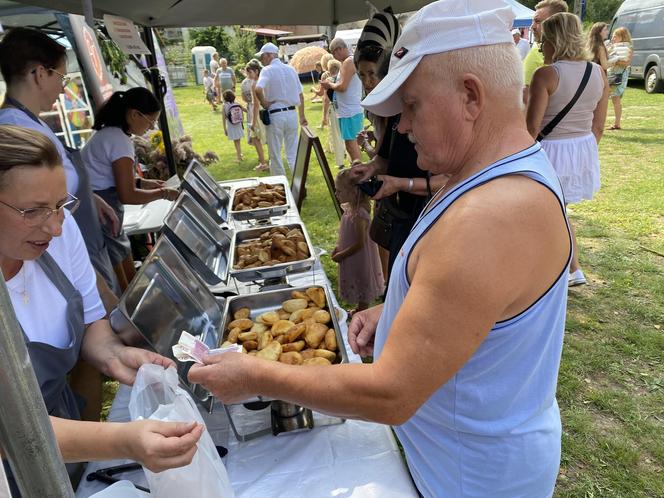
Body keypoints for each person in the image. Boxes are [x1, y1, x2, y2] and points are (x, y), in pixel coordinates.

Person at [188, 1, 572, 497]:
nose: (403, 127)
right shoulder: (486, 177)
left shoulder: (493, 214)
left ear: (470, 97)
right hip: (450, 458)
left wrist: (256, 376)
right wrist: (396, 312)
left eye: (411, 105)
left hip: (467, 479)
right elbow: (480, 309)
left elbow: (392, 394)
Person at [0, 125, 203, 494]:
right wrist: (122, 441)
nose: (56, 228)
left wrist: (112, 356)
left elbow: (93, 320)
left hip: (67, 433)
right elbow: (10, 433)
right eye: (32, 211)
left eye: (61, 205)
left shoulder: (57, 238)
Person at [0, 27, 120, 295]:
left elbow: (58, 185)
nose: (64, 90)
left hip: (81, 241)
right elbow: (35, 209)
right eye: (62, 78)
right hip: (57, 253)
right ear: (40, 74)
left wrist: (91, 198)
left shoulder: (31, 121)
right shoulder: (15, 128)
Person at [350, 10, 447, 278]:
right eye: (362, 75)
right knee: (398, 285)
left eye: (372, 74)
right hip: (402, 218)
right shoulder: (395, 110)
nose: (404, 126)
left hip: (429, 218)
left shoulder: (439, 119)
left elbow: (453, 180)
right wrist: (369, 169)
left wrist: (402, 184)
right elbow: (384, 157)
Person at [526, 12, 608, 287]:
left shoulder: (547, 74)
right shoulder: (598, 72)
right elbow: (598, 125)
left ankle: (562, 269)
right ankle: (571, 268)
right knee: (558, 210)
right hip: (582, 148)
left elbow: (531, 129)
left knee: (547, 213)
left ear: (553, 40)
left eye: (543, 40)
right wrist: (580, 152)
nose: (540, 45)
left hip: (549, 151)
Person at [81, 88, 180, 291]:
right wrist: (163, 193)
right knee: (119, 269)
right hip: (100, 210)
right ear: (135, 114)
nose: (150, 128)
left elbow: (112, 177)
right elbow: (127, 195)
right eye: (150, 122)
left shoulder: (110, 134)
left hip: (97, 204)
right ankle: (129, 301)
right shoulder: (119, 140)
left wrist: (142, 183)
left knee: (121, 254)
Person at [332, 169, 384, 311]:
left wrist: (342, 255)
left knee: (362, 279)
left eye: (339, 191)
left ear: (353, 192)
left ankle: (362, 310)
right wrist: (338, 248)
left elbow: (360, 243)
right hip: (351, 254)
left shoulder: (360, 214)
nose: (336, 194)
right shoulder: (349, 209)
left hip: (360, 257)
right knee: (356, 278)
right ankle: (359, 308)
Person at [254, 42, 308, 176]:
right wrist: (301, 116)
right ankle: (300, 185)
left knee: (275, 153)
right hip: (291, 114)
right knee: (293, 151)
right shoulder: (291, 69)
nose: (262, 60)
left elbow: (258, 88)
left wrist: (264, 102)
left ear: (269, 55)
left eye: (263, 57)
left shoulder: (267, 70)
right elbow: (300, 95)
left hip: (276, 115)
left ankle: (279, 185)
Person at [321, 38, 364, 164]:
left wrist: (329, 85)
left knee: (351, 143)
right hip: (348, 110)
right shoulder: (349, 61)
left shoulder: (348, 62)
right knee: (350, 143)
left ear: (339, 49)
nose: (333, 56)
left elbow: (343, 87)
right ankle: (356, 169)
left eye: (333, 53)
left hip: (349, 111)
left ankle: (359, 172)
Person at [522, 0, 569, 103]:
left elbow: (527, 101)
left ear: (556, 24)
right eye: (533, 21)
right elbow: (527, 98)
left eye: (538, 21)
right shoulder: (536, 53)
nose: (532, 27)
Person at [242, 59, 268, 171]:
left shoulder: (254, 84)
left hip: (258, 113)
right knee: (267, 137)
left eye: (250, 72)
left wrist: (252, 122)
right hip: (267, 110)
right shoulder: (266, 80)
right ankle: (267, 161)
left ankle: (263, 163)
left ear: (256, 71)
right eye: (247, 73)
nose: (248, 75)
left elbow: (256, 104)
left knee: (255, 138)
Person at [606, 27, 633, 131]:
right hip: (611, 73)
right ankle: (615, 123)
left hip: (618, 75)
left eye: (615, 36)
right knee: (611, 99)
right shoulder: (612, 47)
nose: (613, 38)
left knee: (615, 99)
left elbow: (626, 63)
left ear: (622, 37)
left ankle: (617, 123)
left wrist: (614, 61)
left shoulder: (628, 48)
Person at [326, 59, 347, 169]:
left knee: (337, 135)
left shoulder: (328, 81)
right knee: (346, 134)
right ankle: (350, 157)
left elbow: (326, 99)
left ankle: (340, 162)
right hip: (344, 108)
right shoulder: (342, 79)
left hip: (334, 108)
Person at [221, 89, 246, 164]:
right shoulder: (237, 104)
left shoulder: (224, 106)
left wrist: (225, 129)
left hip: (231, 126)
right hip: (238, 124)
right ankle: (240, 155)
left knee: (236, 142)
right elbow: (246, 110)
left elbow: (223, 119)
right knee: (238, 141)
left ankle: (239, 157)